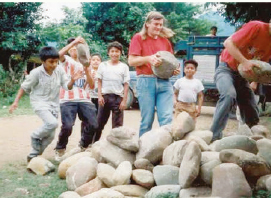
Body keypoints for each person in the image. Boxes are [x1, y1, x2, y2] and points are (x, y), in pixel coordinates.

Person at [9, 46, 83, 162]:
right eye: (51, 62)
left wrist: (72, 80)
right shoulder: (36, 73)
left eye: (56, 61)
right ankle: (35, 135)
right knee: (52, 123)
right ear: (43, 61)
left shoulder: (59, 70)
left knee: (50, 136)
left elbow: (66, 87)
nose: (54, 64)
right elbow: (24, 87)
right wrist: (16, 102)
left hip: (53, 104)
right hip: (39, 103)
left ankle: (34, 155)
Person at [210, 20, 271, 141]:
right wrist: (244, 61)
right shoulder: (256, 27)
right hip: (226, 69)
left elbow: (261, 65)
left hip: (243, 76)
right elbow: (228, 43)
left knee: (250, 104)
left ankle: (255, 139)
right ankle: (214, 136)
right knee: (229, 95)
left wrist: (255, 81)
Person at [128, 11, 180, 136]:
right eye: (155, 24)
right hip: (146, 81)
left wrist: (174, 70)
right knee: (147, 120)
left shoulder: (165, 41)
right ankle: (143, 151)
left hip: (165, 82)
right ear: (147, 24)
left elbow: (171, 62)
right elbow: (131, 61)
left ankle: (166, 151)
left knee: (167, 119)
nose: (158, 27)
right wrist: (148, 59)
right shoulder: (138, 38)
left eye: (160, 24)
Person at [54, 37, 98, 161]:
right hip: (67, 99)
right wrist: (74, 42)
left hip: (84, 98)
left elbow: (92, 85)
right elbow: (58, 55)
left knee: (93, 124)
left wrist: (87, 71)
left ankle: (83, 145)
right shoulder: (65, 61)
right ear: (69, 50)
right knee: (67, 126)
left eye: (77, 48)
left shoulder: (85, 62)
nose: (75, 50)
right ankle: (60, 148)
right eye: (72, 48)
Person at [95, 41, 130, 142]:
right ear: (108, 53)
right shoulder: (103, 65)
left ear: (120, 53)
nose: (114, 53)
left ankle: (116, 145)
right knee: (99, 123)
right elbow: (99, 81)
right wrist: (100, 96)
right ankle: (93, 144)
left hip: (117, 98)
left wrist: (124, 100)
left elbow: (126, 84)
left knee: (117, 126)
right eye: (112, 51)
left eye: (117, 51)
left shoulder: (124, 67)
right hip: (105, 97)